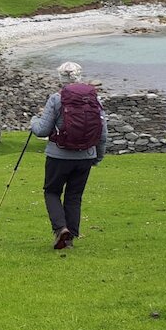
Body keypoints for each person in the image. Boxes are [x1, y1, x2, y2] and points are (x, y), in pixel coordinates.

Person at [30, 62, 107, 250]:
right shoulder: (94, 99)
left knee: (52, 191)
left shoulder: (56, 99)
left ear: (60, 78)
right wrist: (97, 156)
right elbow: (103, 133)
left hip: (59, 156)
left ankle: (60, 229)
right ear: (79, 76)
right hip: (85, 156)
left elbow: (41, 130)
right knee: (74, 196)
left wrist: (33, 121)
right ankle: (70, 238)